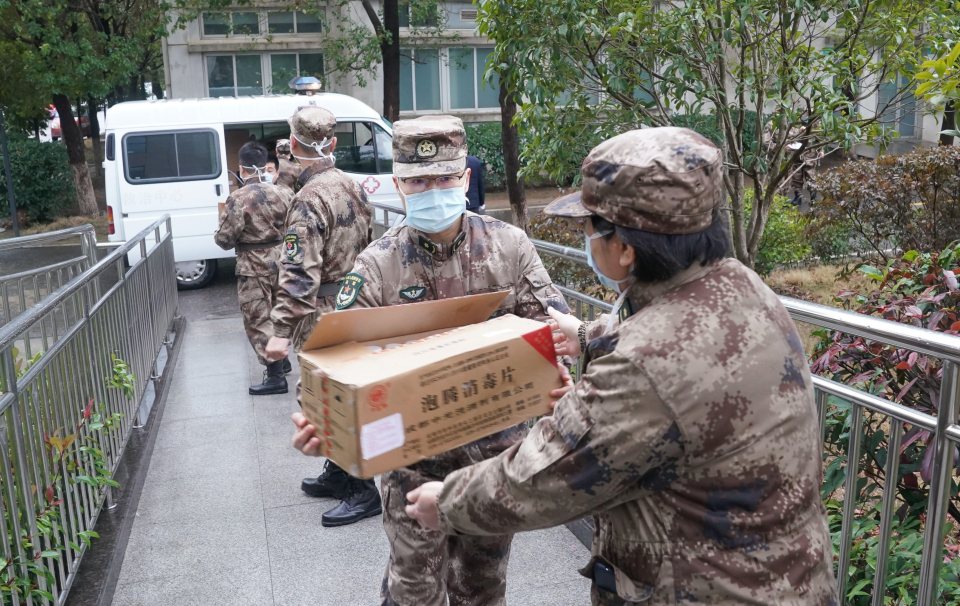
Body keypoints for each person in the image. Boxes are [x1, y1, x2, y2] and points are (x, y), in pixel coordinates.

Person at [404, 127, 838, 605]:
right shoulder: (742, 285)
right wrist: (589, 336)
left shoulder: (643, 365)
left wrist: (444, 502)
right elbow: (688, 351)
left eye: (590, 228)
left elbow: (543, 477)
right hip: (787, 579)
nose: (586, 239)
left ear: (626, 248)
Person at [290, 115, 570, 604]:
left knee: (482, 587)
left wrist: (561, 371)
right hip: (410, 458)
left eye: (444, 178)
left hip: (494, 458)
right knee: (414, 586)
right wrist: (323, 420)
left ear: (465, 178)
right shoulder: (378, 263)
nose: (432, 189)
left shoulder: (509, 246)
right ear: (399, 186)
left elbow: (552, 328)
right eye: (419, 180)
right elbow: (337, 357)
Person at [263, 107, 373, 524]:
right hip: (354, 302)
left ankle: (361, 489)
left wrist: (279, 331)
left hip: (322, 311)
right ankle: (338, 471)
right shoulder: (351, 184)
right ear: (332, 143)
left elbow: (298, 273)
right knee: (336, 391)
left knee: (326, 397)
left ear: (292, 144)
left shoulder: (308, 200)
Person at [214, 141, 293, 395]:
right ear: (263, 166)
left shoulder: (238, 198)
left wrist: (219, 230)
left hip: (253, 264)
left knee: (258, 319)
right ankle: (283, 360)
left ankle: (275, 376)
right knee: (280, 313)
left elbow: (225, 240)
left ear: (242, 168)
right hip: (282, 259)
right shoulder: (284, 192)